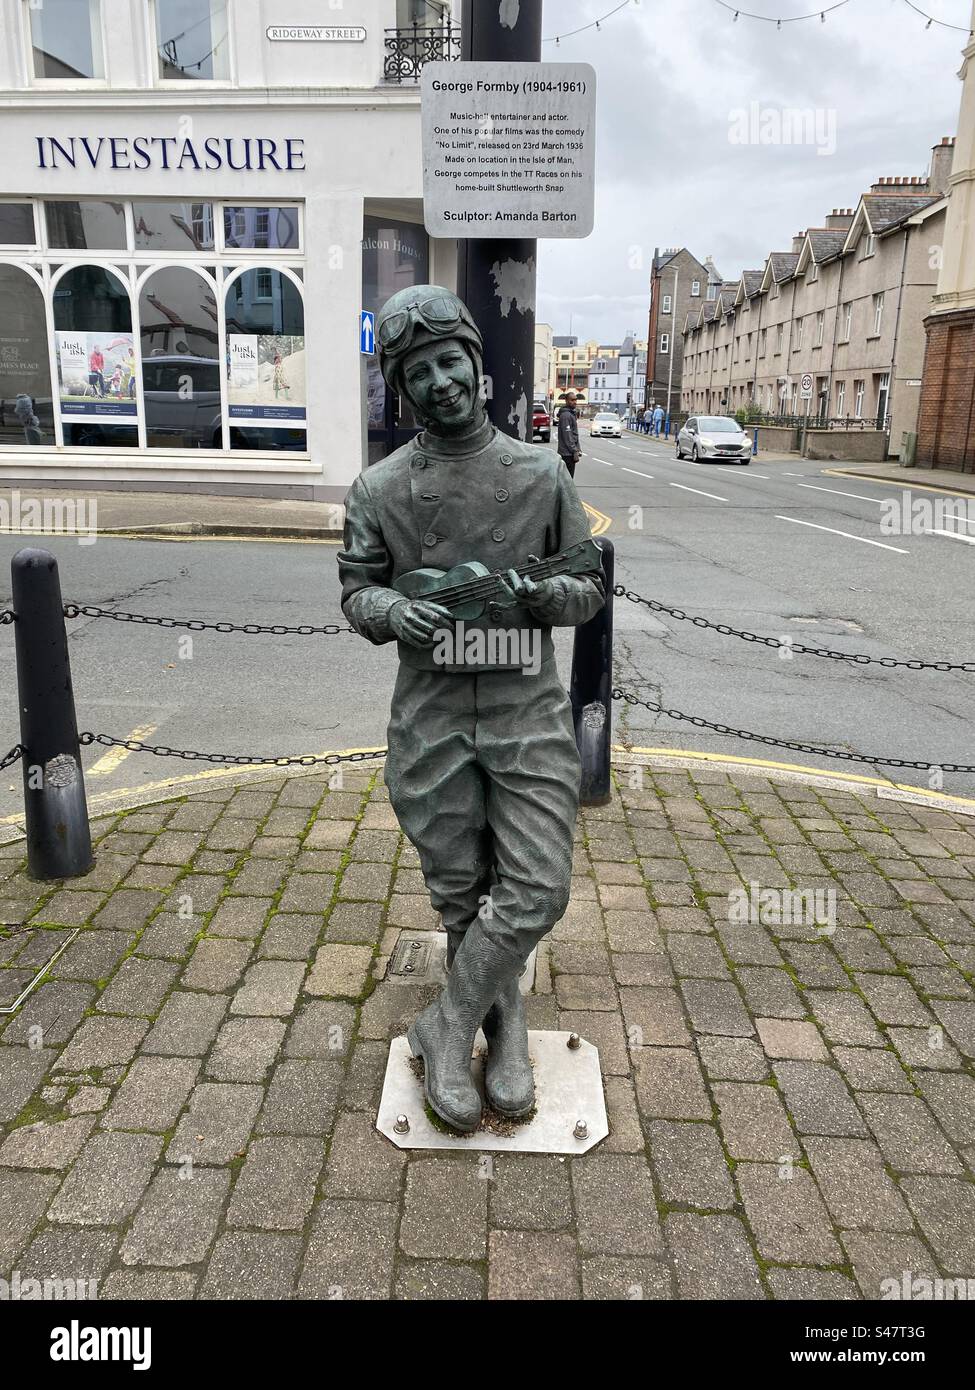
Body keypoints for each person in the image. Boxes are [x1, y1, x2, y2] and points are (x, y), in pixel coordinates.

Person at [338, 286, 605, 1133]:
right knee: (458, 889)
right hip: (432, 709)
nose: (440, 382)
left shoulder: (540, 473)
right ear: (401, 387)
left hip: (524, 702)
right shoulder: (378, 488)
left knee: (536, 885)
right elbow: (357, 591)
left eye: (450, 362)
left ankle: (446, 1023)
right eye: (419, 372)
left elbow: (587, 585)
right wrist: (390, 612)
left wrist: (545, 599)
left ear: (477, 368)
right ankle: (507, 1030)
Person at [556, 389, 582, 478]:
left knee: (568, 479)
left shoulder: (571, 414)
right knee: (567, 479)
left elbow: (574, 434)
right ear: (566, 401)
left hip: (569, 453)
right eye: (572, 400)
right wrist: (574, 450)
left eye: (575, 400)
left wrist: (578, 449)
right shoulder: (566, 416)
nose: (575, 402)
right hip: (566, 454)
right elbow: (568, 436)